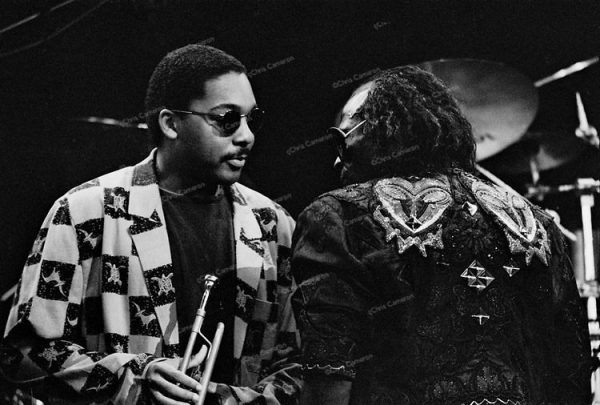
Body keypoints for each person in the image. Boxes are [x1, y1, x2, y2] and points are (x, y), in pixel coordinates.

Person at [1, 44, 301, 404]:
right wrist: (132, 377)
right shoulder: (83, 213)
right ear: (170, 124)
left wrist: (228, 399)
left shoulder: (274, 225)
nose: (247, 135)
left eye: (253, 118)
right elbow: (21, 353)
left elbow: (305, 364)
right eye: (227, 119)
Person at [291, 66, 591, 405]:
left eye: (341, 139)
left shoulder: (337, 216)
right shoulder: (536, 223)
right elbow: (572, 373)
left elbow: (327, 377)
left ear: (381, 127)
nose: (336, 161)